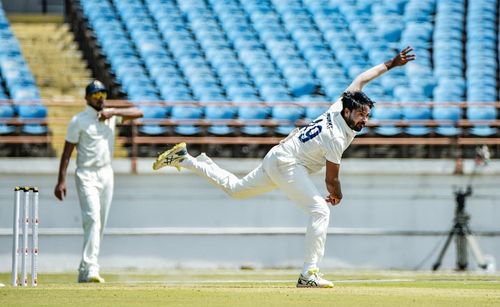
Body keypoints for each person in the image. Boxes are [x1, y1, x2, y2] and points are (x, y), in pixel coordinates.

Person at [152, 47, 415, 288]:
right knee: (320, 210)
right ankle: (309, 274)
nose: (364, 120)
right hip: (288, 163)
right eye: (361, 115)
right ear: (347, 112)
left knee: (237, 190)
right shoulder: (335, 136)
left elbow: (360, 80)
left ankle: (186, 159)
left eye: (367, 115)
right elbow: (331, 180)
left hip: (279, 156)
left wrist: (391, 64)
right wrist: (337, 196)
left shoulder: (339, 108)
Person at [54, 80, 143, 283]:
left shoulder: (110, 116)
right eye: (95, 95)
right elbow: (67, 153)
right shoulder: (79, 120)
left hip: (106, 174)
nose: (100, 98)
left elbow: (139, 113)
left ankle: (85, 269)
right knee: (92, 219)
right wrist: (61, 181)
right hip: (86, 174)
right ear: (87, 98)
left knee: (99, 223)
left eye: (103, 94)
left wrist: (113, 113)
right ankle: (90, 268)